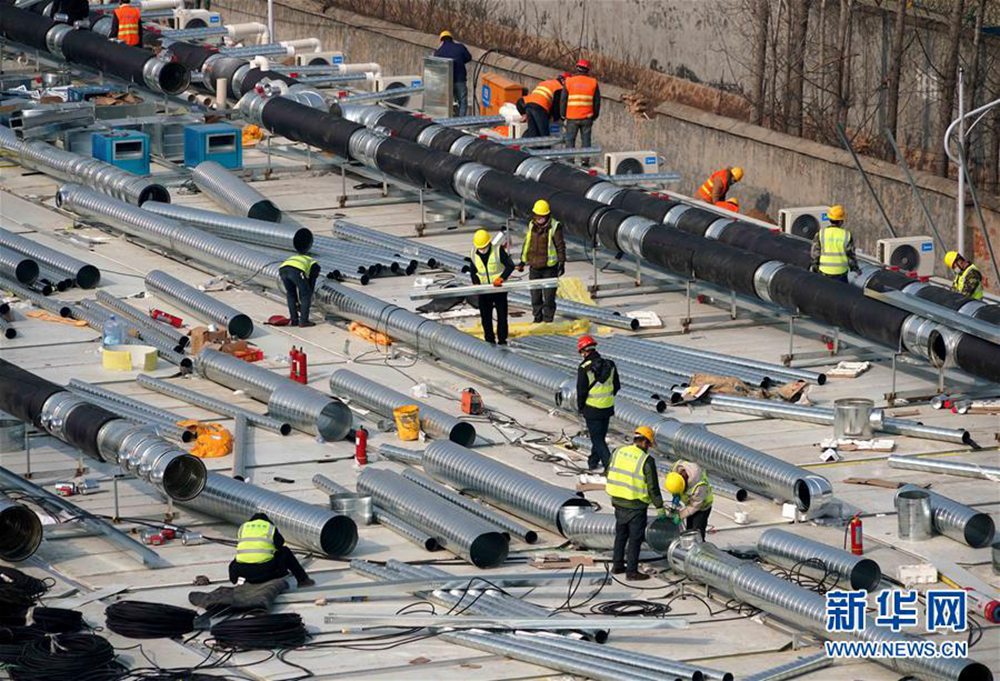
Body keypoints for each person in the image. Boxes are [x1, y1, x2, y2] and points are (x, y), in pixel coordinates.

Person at [605, 426, 665, 581]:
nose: (649, 448)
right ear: (645, 441)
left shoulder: (618, 452)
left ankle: (617, 564)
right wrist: (660, 507)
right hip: (636, 504)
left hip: (618, 500)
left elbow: (608, 471)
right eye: (649, 444)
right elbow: (652, 487)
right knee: (635, 538)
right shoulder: (646, 460)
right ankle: (631, 571)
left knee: (621, 534)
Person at [228, 513, 315, 588]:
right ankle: (303, 580)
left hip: (245, 572)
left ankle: (234, 579)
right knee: (285, 551)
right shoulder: (269, 527)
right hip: (266, 572)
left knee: (237, 558)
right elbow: (280, 544)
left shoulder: (243, 527)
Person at [576, 335, 620, 473]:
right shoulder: (610, 364)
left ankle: (610, 467)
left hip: (592, 409)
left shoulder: (584, 367)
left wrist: (581, 406)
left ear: (584, 351)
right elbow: (616, 386)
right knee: (599, 437)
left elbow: (581, 390)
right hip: (607, 407)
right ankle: (593, 461)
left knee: (597, 439)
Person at [518, 199, 566, 323]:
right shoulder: (531, 225)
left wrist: (561, 262)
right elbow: (527, 243)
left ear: (547, 215)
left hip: (549, 268)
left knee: (549, 297)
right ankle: (537, 317)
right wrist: (523, 261)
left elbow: (560, 245)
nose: (539, 219)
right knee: (535, 296)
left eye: (542, 217)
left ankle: (548, 319)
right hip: (534, 267)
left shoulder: (555, 227)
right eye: (537, 216)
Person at [471, 229, 514, 345]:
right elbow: (473, 271)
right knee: (486, 318)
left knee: (502, 316)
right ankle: (489, 340)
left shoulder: (497, 250)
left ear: (489, 243)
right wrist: (475, 283)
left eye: (484, 247)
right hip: (484, 291)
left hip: (499, 289)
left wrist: (502, 278)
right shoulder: (474, 254)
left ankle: (502, 339)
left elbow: (510, 266)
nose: (482, 250)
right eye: (480, 247)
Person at [560, 59, 600, 165]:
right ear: (588, 70)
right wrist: (594, 115)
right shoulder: (593, 82)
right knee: (586, 140)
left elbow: (563, 99)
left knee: (570, 139)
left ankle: (570, 160)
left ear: (577, 68)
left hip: (572, 116)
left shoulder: (569, 81)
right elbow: (597, 102)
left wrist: (563, 114)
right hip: (587, 117)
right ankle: (585, 160)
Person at [664, 461, 714, 541]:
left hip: (702, 507)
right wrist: (676, 496)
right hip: (691, 502)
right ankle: (689, 547)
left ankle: (699, 549)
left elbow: (693, 507)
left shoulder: (699, 487)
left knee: (697, 533)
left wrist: (680, 516)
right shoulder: (676, 469)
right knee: (689, 529)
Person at [809, 204, 859, 283]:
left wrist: (815, 267)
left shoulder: (821, 233)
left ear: (829, 219)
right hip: (840, 273)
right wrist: (855, 269)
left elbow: (815, 253)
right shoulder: (846, 235)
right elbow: (850, 255)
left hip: (824, 271)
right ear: (841, 221)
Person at [434, 30, 473, 117]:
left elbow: (436, 66)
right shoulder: (460, 47)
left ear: (441, 40)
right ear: (452, 39)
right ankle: (461, 120)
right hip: (460, 79)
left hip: (446, 81)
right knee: (462, 100)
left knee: (448, 101)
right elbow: (468, 57)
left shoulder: (439, 52)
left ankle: (449, 118)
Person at [279, 254, 320, 328]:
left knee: (291, 294)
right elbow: (311, 285)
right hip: (296, 270)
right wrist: (304, 303)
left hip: (282, 269)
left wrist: (299, 303)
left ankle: (294, 320)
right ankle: (304, 321)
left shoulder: (303, 259)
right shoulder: (315, 266)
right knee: (306, 295)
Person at [522, 73, 565, 138]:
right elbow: (556, 106)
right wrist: (557, 119)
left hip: (528, 105)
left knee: (533, 131)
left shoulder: (545, 82)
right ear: (563, 81)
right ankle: (545, 147)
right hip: (539, 107)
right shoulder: (559, 87)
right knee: (544, 133)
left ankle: (532, 147)